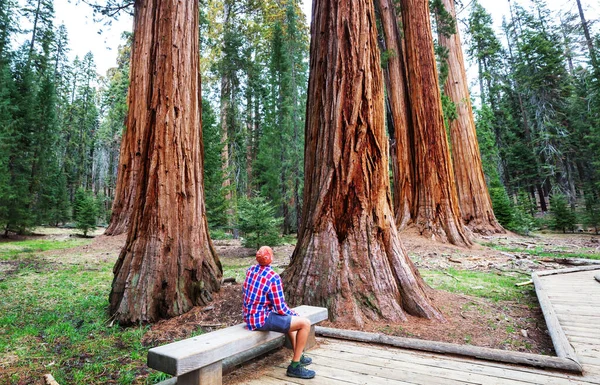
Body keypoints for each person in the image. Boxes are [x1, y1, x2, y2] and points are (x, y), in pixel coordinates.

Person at [243, 245, 316, 379]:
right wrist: (295, 314)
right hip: (262, 319)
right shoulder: (273, 277)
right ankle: (294, 367)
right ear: (270, 258)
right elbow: (280, 309)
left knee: (290, 322)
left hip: (249, 316)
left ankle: (299, 356)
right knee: (304, 323)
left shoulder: (250, 270)